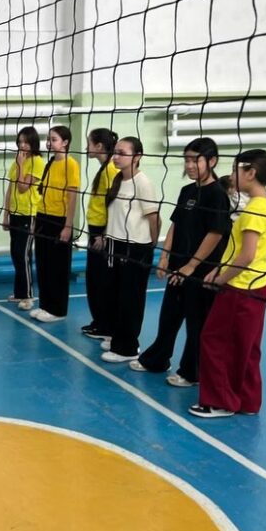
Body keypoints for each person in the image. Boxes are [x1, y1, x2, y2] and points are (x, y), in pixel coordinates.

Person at [130, 138, 230, 387]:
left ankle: (191, 372)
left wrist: (192, 266)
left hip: (201, 271)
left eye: (195, 160)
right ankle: (157, 359)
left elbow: (215, 233)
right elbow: (175, 224)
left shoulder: (217, 195)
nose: (190, 165)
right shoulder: (187, 191)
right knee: (169, 316)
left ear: (212, 161)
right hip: (179, 266)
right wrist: (165, 255)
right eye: (186, 160)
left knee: (197, 323)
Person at [191, 149, 266, 418]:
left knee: (214, 340)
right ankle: (248, 401)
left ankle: (220, 402)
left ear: (250, 173)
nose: (231, 176)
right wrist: (219, 267)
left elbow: (247, 255)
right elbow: (240, 250)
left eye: (234, 170)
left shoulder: (254, 210)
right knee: (247, 345)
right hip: (257, 284)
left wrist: (221, 279)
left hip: (241, 287)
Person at [99, 137, 160, 363]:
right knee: (114, 295)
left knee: (130, 299)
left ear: (137, 157)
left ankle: (128, 348)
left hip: (135, 247)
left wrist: (149, 245)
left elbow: (154, 218)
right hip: (115, 245)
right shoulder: (117, 179)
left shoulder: (143, 183)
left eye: (122, 153)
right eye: (115, 152)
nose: (116, 157)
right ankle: (118, 337)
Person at [30, 125, 80, 323]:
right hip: (43, 217)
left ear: (65, 142)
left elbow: (72, 197)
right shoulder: (50, 162)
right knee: (43, 264)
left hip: (59, 220)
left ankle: (58, 310)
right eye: (48, 139)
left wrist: (68, 225)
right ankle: (45, 305)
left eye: (54, 139)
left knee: (57, 267)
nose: (49, 143)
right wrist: (36, 220)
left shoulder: (71, 164)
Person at [2, 127, 45, 311]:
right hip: (15, 214)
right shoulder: (17, 161)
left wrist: (20, 165)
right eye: (20, 142)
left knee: (23, 255)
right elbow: (11, 189)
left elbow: (22, 187)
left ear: (33, 143)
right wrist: (5, 214)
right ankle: (19, 292)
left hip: (29, 214)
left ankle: (28, 296)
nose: (22, 145)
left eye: (26, 142)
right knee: (15, 254)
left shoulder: (38, 162)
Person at [81, 128, 119, 339]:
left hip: (103, 232)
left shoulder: (111, 169)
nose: (87, 147)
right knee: (94, 278)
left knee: (101, 280)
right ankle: (100, 323)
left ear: (99, 146)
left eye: (89, 143)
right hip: (96, 228)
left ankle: (106, 326)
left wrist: (104, 234)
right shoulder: (105, 168)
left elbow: (114, 204)